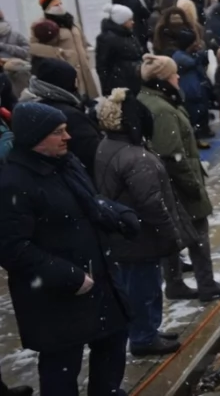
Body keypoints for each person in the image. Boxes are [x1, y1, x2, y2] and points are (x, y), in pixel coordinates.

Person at [0, 103, 134, 395]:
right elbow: (12, 247)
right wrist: (70, 277)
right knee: (62, 367)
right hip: (56, 296)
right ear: (36, 137)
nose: (67, 137)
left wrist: (120, 215)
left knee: (111, 346)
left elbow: (91, 202)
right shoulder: (13, 182)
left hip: (99, 279)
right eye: (58, 132)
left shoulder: (67, 164)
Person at [94, 88, 191, 356]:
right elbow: (151, 203)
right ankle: (144, 337)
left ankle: (147, 329)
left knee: (139, 286)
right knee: (143, 289)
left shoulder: (108, 144)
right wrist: (171, 234)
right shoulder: (137, 157)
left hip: (125, 234)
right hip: (140, 236)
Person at [138, 54, 220, 302]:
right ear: (163, 79)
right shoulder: (161, 109)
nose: (178, 76)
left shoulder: (155, 101)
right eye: (173, 73)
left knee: (172, 233)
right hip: (177, 183)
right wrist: (192, 185)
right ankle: (205, 284)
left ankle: (176, 283)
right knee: (198, 232)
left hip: (168, 182)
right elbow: (171, 154)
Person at [22, 58, 104, 178]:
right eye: (74, 80)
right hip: (77, 176)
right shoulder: (71, 116)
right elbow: (93, 152)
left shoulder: (30, 105)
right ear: (66, 83)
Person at [154, 6, 215, 143]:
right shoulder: (181, 45)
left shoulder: (164, 35)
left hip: (179, 75)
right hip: (182, 76)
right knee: (192, 101)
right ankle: (197, 129)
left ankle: (197, 129)